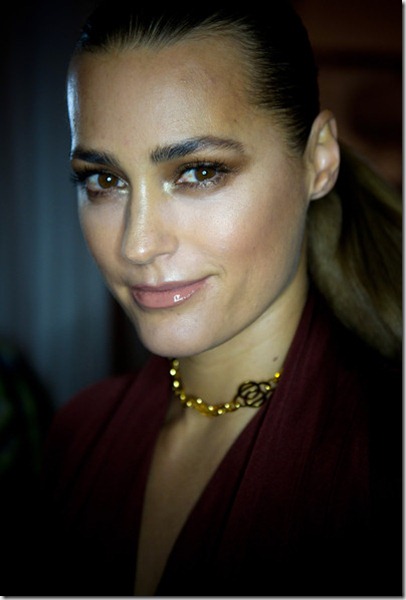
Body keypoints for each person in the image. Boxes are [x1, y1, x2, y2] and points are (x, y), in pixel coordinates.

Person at [34, 1, 402, 596]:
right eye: (105, 180)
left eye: (199, 172)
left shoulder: (386, 466)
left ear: (318, 161)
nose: (137, 244)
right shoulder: (77, 437)